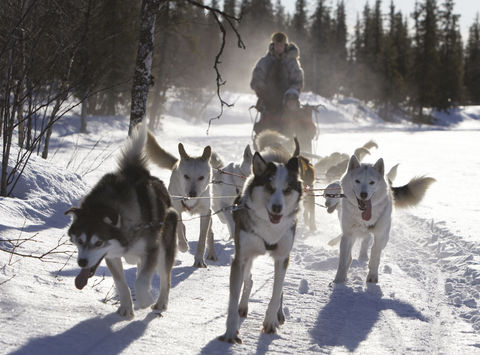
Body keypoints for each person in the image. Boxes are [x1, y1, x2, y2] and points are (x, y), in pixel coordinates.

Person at [250, 32, 304, 135]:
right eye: (276, 44)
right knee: (263, 127)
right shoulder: (265, 61)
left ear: (285, 45)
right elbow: (257, 78)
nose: (278, 47)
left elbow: (298, 81)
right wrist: (262, 92)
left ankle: (292, 141)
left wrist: (291, 94)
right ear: (273, 45)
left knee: (291, 126)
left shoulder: (292, 62)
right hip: (269, 101)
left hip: (288, 101)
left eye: (281, 45)